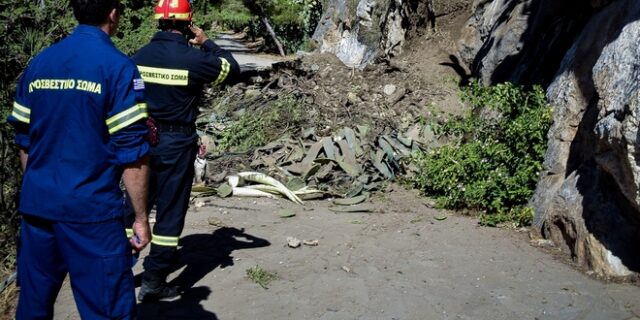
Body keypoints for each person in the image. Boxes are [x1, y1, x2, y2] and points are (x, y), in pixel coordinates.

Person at [6, 0, 152, 318]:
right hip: (91, 212)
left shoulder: (41, 62)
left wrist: (41, 189)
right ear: (113, 13)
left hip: (38, 208)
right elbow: (132, 152)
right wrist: (140, 217)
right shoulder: (117, 67)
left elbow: (24, 139)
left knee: (32, 306)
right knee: (108, 309)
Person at [128, 0, 240, 302]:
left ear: (159, 22)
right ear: (187, 23)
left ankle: (117, 272)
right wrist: (207, 42)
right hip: (177, 144)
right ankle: (154, 280)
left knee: (134, 207)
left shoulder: (137, 57)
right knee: (170, 211)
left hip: (141, 140)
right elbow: (232, 68)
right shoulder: (194, 58)